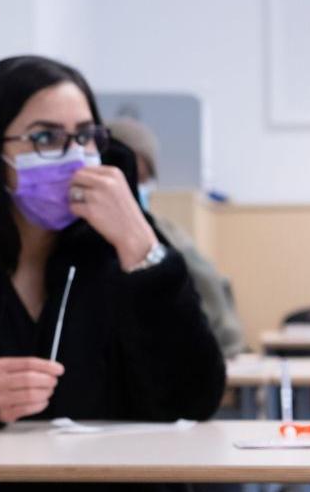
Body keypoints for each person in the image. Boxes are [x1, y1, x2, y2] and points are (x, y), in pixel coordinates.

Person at [0, 54, 225, 450]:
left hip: (112, 481)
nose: (75, 156)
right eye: (45, 138)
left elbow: (195, 398)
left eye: (86, 136)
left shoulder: (125, 243)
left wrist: (141, 247)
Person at [106, 117, 247, 358]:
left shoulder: (166, 233)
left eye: (143, 179)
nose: (137, 186)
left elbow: (210, 289)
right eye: (130, 174)